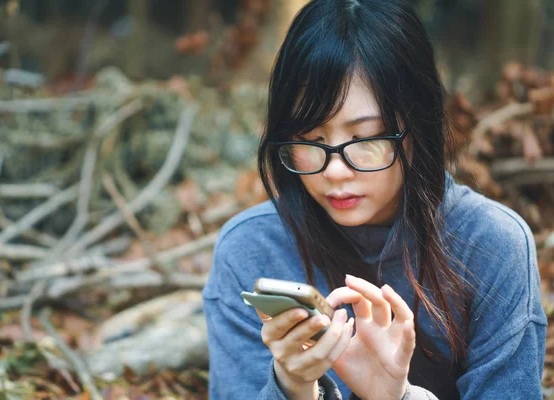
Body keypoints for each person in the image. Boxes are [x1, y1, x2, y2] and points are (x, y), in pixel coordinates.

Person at [202, 0, 547, 399]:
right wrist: (293, 387)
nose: (334, 171)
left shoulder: (489, 246)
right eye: (311, 140)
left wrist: (397, 396)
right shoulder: (250, 251)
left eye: (365, 138)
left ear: (417, 128)